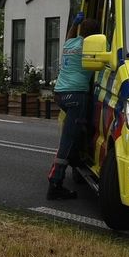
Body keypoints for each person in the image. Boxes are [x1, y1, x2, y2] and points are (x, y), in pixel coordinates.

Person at [47, 14, 99, 200]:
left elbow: (70, 34)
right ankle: (55, 183)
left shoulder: (70, 44)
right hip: (76, 95)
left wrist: (75, 23)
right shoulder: (89, 47)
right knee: (67, 141)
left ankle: (77, 159)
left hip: (60, 94)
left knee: (77, 131)